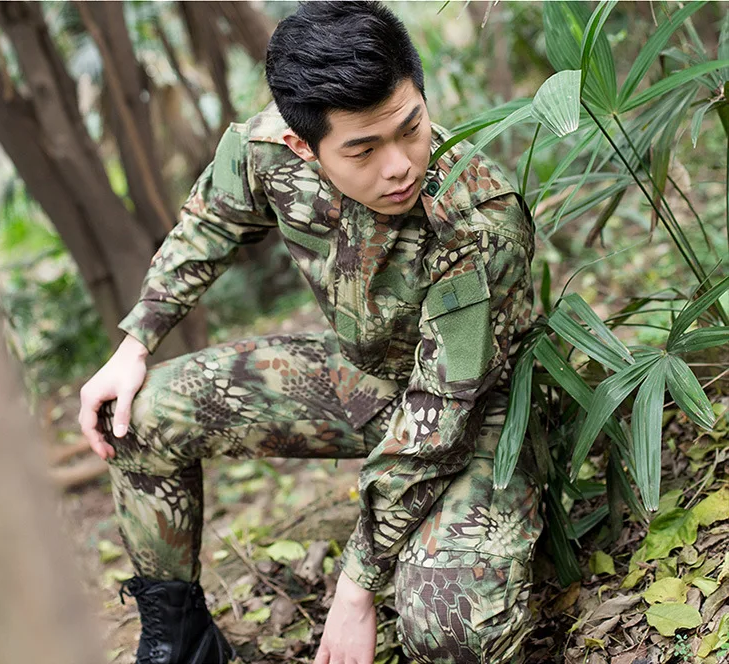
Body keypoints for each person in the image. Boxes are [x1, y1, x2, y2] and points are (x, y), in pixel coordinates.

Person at [78, 2, 542, 663]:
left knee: (452, 630)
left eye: (411, 128)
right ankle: (180, 643)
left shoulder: (476, 220)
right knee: (134, 414)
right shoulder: (271, 150)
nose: (399, 166)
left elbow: (441, 416)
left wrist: (355, 589)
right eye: (363, 150)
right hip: (364, 379)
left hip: (478, 416)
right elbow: (210, 224)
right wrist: (135, 343)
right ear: (304, 145)